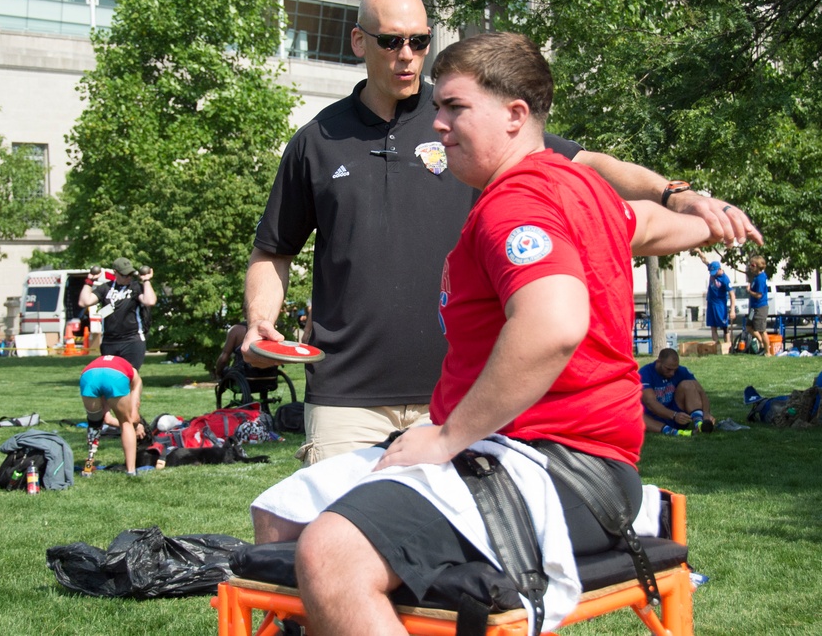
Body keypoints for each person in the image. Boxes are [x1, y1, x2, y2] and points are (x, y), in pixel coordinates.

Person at [249, 32, 718, 634]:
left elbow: (553, 325)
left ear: (516, 116)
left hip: (557, 461)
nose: (438, 125)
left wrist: (444, 438)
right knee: (282, 517)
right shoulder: (577, 191)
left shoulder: (514, 205)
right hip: (524, 450)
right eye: (438, 108)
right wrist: (708, 222)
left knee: (332, 552)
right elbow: (648, 222)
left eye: (455, 108)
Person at [242, 0, 761, 465]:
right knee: (332, 538)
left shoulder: (472, 120)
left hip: (464, 393)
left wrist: (675, 192)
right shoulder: (315, 140)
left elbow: (591, 166)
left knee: (446, 551)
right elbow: (273, 248)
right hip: (347, 397)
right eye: (391, 41)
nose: (407, 55)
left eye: (420, 41)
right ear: (358, 41)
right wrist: (260, 321)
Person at [78, 257, 156, 371]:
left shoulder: (135, 287)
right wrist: (90, 281)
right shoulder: (105, 288)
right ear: (115, 272)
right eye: (125, 275)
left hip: (132, 340)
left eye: (130, 274)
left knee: (130, 374)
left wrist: (146, 280)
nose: (128, 277)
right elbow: (84, 301)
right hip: (109, 342)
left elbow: (150, 301)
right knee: (111, 376)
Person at [79, 354, 144, 477]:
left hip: (89, 376)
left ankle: (88, 468)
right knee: (126, 423)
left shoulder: (100, 362)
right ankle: (131, 471)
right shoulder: (135, 376)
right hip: (116, 376)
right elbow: (134, 418)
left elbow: (107, 419)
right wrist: (137, 424)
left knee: (94, 424)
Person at [639, 348, 715, 436]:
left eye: (675, 369)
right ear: (658, 362)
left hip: (677, 416)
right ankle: (674, 432)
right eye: (668, 369)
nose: (672, 373)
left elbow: (701, 392)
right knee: (633, 413)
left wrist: (706, 414)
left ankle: (699, 423)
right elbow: (650, 403)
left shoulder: (681, 371)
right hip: (653, 417)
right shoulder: (645, 373)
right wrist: (674, 415)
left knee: (688, 384)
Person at [697, 253, 737, 344]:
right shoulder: (712, 268)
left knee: (724, 327)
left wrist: (732, 310)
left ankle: (727, 345)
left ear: (719, 269)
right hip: (711, 303)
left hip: (720, 305)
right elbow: (705, 260)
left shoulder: (725, 279)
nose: (713, 274)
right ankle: (716, 346)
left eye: (715, 272)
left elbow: (732, 294)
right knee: (713, 326)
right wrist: (699, 252)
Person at [747, 255, 770, 354]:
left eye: (752, 265)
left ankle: (768, 352)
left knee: (761, 330)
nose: (750, 267)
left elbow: (759, 295)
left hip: (760, 307)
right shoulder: (756, 277)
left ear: (757, 266)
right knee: (748, 327)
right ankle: (761, 342)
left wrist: (749, 291)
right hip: (753, 308)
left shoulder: (760, 278)